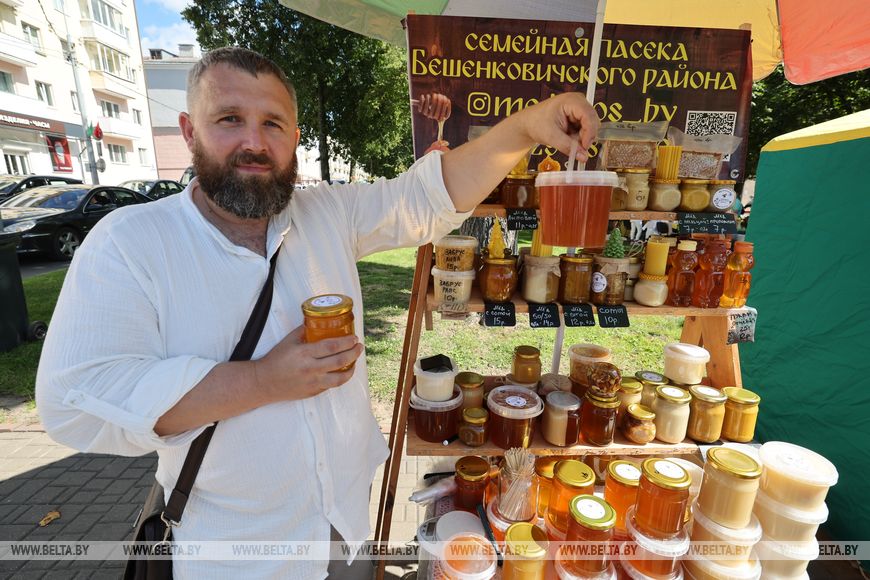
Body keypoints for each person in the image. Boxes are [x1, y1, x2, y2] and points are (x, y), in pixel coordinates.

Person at [36, 47, 598, 578]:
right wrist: (261, 381)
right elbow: (72, 398)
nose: (254, 142)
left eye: (273, 124)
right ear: (189, 131)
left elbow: (429, 195)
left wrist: (526, 127)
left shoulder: (325, 212)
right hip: (233, 551)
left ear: (296, 138)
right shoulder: (130, 241)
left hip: (344, 524)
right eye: (229, 119)